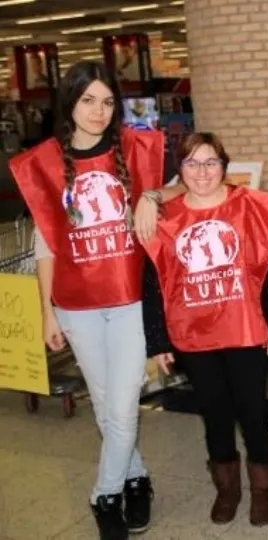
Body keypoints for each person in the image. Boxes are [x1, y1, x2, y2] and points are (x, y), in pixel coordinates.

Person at [8, 60, 183, 540]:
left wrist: (150, 194)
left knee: (122, 407)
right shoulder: (45, 161)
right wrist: (47, 312)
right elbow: (47, 245)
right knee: (107, 406)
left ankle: (104, 494)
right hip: (75, 304)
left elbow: (186, 183)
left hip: (128, 300)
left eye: (107, 102)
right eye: (89, 101)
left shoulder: (136, 148)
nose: (98, 111)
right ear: (70, 103)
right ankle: (137, 478)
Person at [141, 132, 268, 527]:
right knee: (215, 413)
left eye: (211, 162)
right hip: (193, 334)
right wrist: (157, 340)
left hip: (245, 328)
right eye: (192, 163)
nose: (202, 171)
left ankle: (262, 486)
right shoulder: (165, 221)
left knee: (253, 411)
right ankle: (228, 488)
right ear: (180, 170)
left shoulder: (253, 208)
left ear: (225, 166)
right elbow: (153, 282)